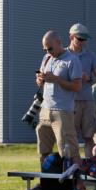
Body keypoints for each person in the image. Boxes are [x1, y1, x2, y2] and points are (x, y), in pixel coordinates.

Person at [35, 30, 82, 165]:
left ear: (59, 42)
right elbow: (40, 82)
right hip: (45, 110)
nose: (48, 52)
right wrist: (40, 80)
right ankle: (45, 183)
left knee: (69, 152)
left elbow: (77, 87)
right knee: (44, 151)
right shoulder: (47, 58)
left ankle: (77, 184)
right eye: (45, 49)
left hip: (62, 112)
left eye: (50, 48)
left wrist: (57, 79)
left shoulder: (72, 60)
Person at [67, 23, 96, 157]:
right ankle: (72, 169)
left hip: (87, 101)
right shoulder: (64, 55)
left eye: (85, 39)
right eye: (79, 39)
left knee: (89, 138)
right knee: (71, 137)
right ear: (71, 36)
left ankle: (89, 171)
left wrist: (89, 78)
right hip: (70, 101)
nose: (82, 42)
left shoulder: (91, 55)